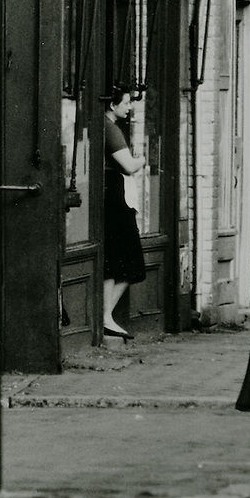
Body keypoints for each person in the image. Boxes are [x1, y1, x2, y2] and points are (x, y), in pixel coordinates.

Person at [103, 84, 146, 340]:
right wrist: (142, 159)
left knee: (113, 261)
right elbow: (129, 165)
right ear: (112, 105)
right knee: (130, 262)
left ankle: (106, 316)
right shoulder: (111, 129)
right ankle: (106, 315)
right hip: (117, 200)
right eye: (127, 103)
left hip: (111, 197)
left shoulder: (106, 127)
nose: (129, 108)